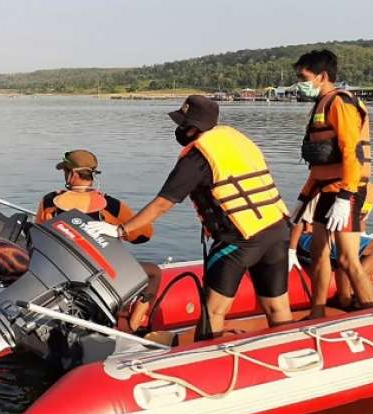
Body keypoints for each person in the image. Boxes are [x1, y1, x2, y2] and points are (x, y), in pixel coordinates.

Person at [88, 95, 293, 339]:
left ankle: (208, 361)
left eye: (182, 124)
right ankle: (288, 349)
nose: (179, 129)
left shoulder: (198, 156)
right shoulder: (234, 139)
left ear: (194, 127)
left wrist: (120, 230)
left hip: (239, 240)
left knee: (214, 311)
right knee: (277, 305)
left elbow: (163, 203)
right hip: (277, 229)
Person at [290, 50, 373, 318]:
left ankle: (372, 315)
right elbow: (320, 162)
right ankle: (317, 312)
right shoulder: (321, 104)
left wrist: (345, 195)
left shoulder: (340, 103)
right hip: (325, 190)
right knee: (318, 252)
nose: (299, 83)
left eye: (304, 77)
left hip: (345, 191)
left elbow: (352, 152)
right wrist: (303, 199)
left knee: (349, 259)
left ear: (322, 76)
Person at [36, 149, 158, 332]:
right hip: (102, 276)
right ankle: (134, 324)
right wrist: (119, 232)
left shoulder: (49, 202)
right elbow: (144, 235)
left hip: (63, 274)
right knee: (154, 272)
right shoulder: (112, 206)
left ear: (73, 174)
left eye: (65, 171)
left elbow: (39, 236)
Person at [289, 184, 373, 309]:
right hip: (311, 235)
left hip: (341, 235)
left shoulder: (372, 191)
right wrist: (291, 250)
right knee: (365, 248)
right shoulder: (328, 187)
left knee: (372, 247)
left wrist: (362, 239)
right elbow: (301, 220)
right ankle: (347, 296)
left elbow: (360, 219)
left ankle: (349, 292)